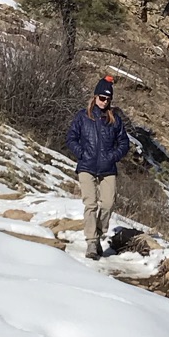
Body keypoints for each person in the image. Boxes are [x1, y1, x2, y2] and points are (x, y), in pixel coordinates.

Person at [65, 75, 131, 259]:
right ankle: (91, 243)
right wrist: (82, 153)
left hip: (108, 168)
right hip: (86, 166)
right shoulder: (82, 117)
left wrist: (113, 156)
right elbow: (71, 138)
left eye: (108, 99)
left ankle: (98, 234)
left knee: (108, 203)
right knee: (90, 203)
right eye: (102, 98)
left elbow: (124, 143)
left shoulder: (114, 119)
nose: (104, 102)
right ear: (95, 97)